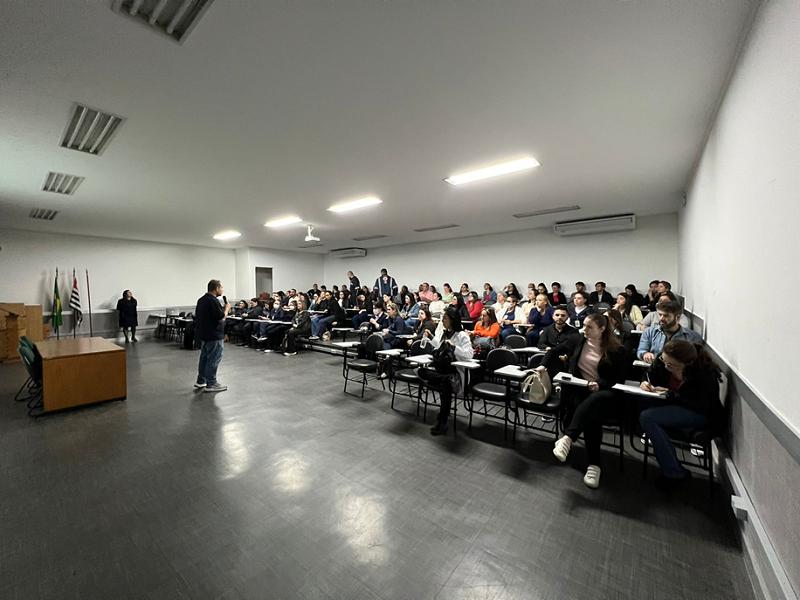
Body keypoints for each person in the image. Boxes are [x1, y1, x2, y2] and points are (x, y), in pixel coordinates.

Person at [538, 313, 626, 488]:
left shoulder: (616, 349)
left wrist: (599, 384)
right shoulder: (577, 339)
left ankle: (568, 438)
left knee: (594, 404)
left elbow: (618, 378)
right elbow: (554, 351)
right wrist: (542, 365)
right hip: (579, 389)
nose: (584, 329)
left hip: (604, 393)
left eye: (589, 327)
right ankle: (594, 465)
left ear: (602, 329)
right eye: (584, 325)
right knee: (591, 417)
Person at [639, 340, 724, 488]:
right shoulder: (663, 359)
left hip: (699, 412)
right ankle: (674, 434)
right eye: (664, 361)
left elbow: (703, 405)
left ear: (686, 364)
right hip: (674, 405)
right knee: (639, 403)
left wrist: (671, 394)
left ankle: (675, 472)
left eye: (671, 365)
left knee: (648, 418)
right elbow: (648, 374)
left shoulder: (704, 373)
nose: (666, 366)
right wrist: (644, 382)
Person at [424, 307, 474, 436]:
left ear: (452, 320)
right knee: (420, 371)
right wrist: (430, 336)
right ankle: (445, 379)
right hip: (442, 370)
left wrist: (454, 347)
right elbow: (438, 346)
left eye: (445, 319)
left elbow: (469, 354)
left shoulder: (462, 335)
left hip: (455, 372)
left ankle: (442, 422)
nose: (443, 321)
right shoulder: (444, 333)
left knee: (446, 386)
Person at [194, 279, 230, 392]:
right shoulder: (213, 301)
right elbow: (221, 318)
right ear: (216, 289)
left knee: (204, 358)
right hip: (214, 335)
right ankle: (212, 383)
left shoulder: (201, 300)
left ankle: (201, 380)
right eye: (221, 288)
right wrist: (227, 309)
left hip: (204, 334)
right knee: (214, 359)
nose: (222, 290)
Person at [637, 300, 703, 363]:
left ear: (677, 318)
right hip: (655, 370)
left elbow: (697, 361)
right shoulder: (649, 332)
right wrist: (645, 354)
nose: (661, 319)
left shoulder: (692, 337)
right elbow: (641, 350)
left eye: (666, 316)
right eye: (660, 315)